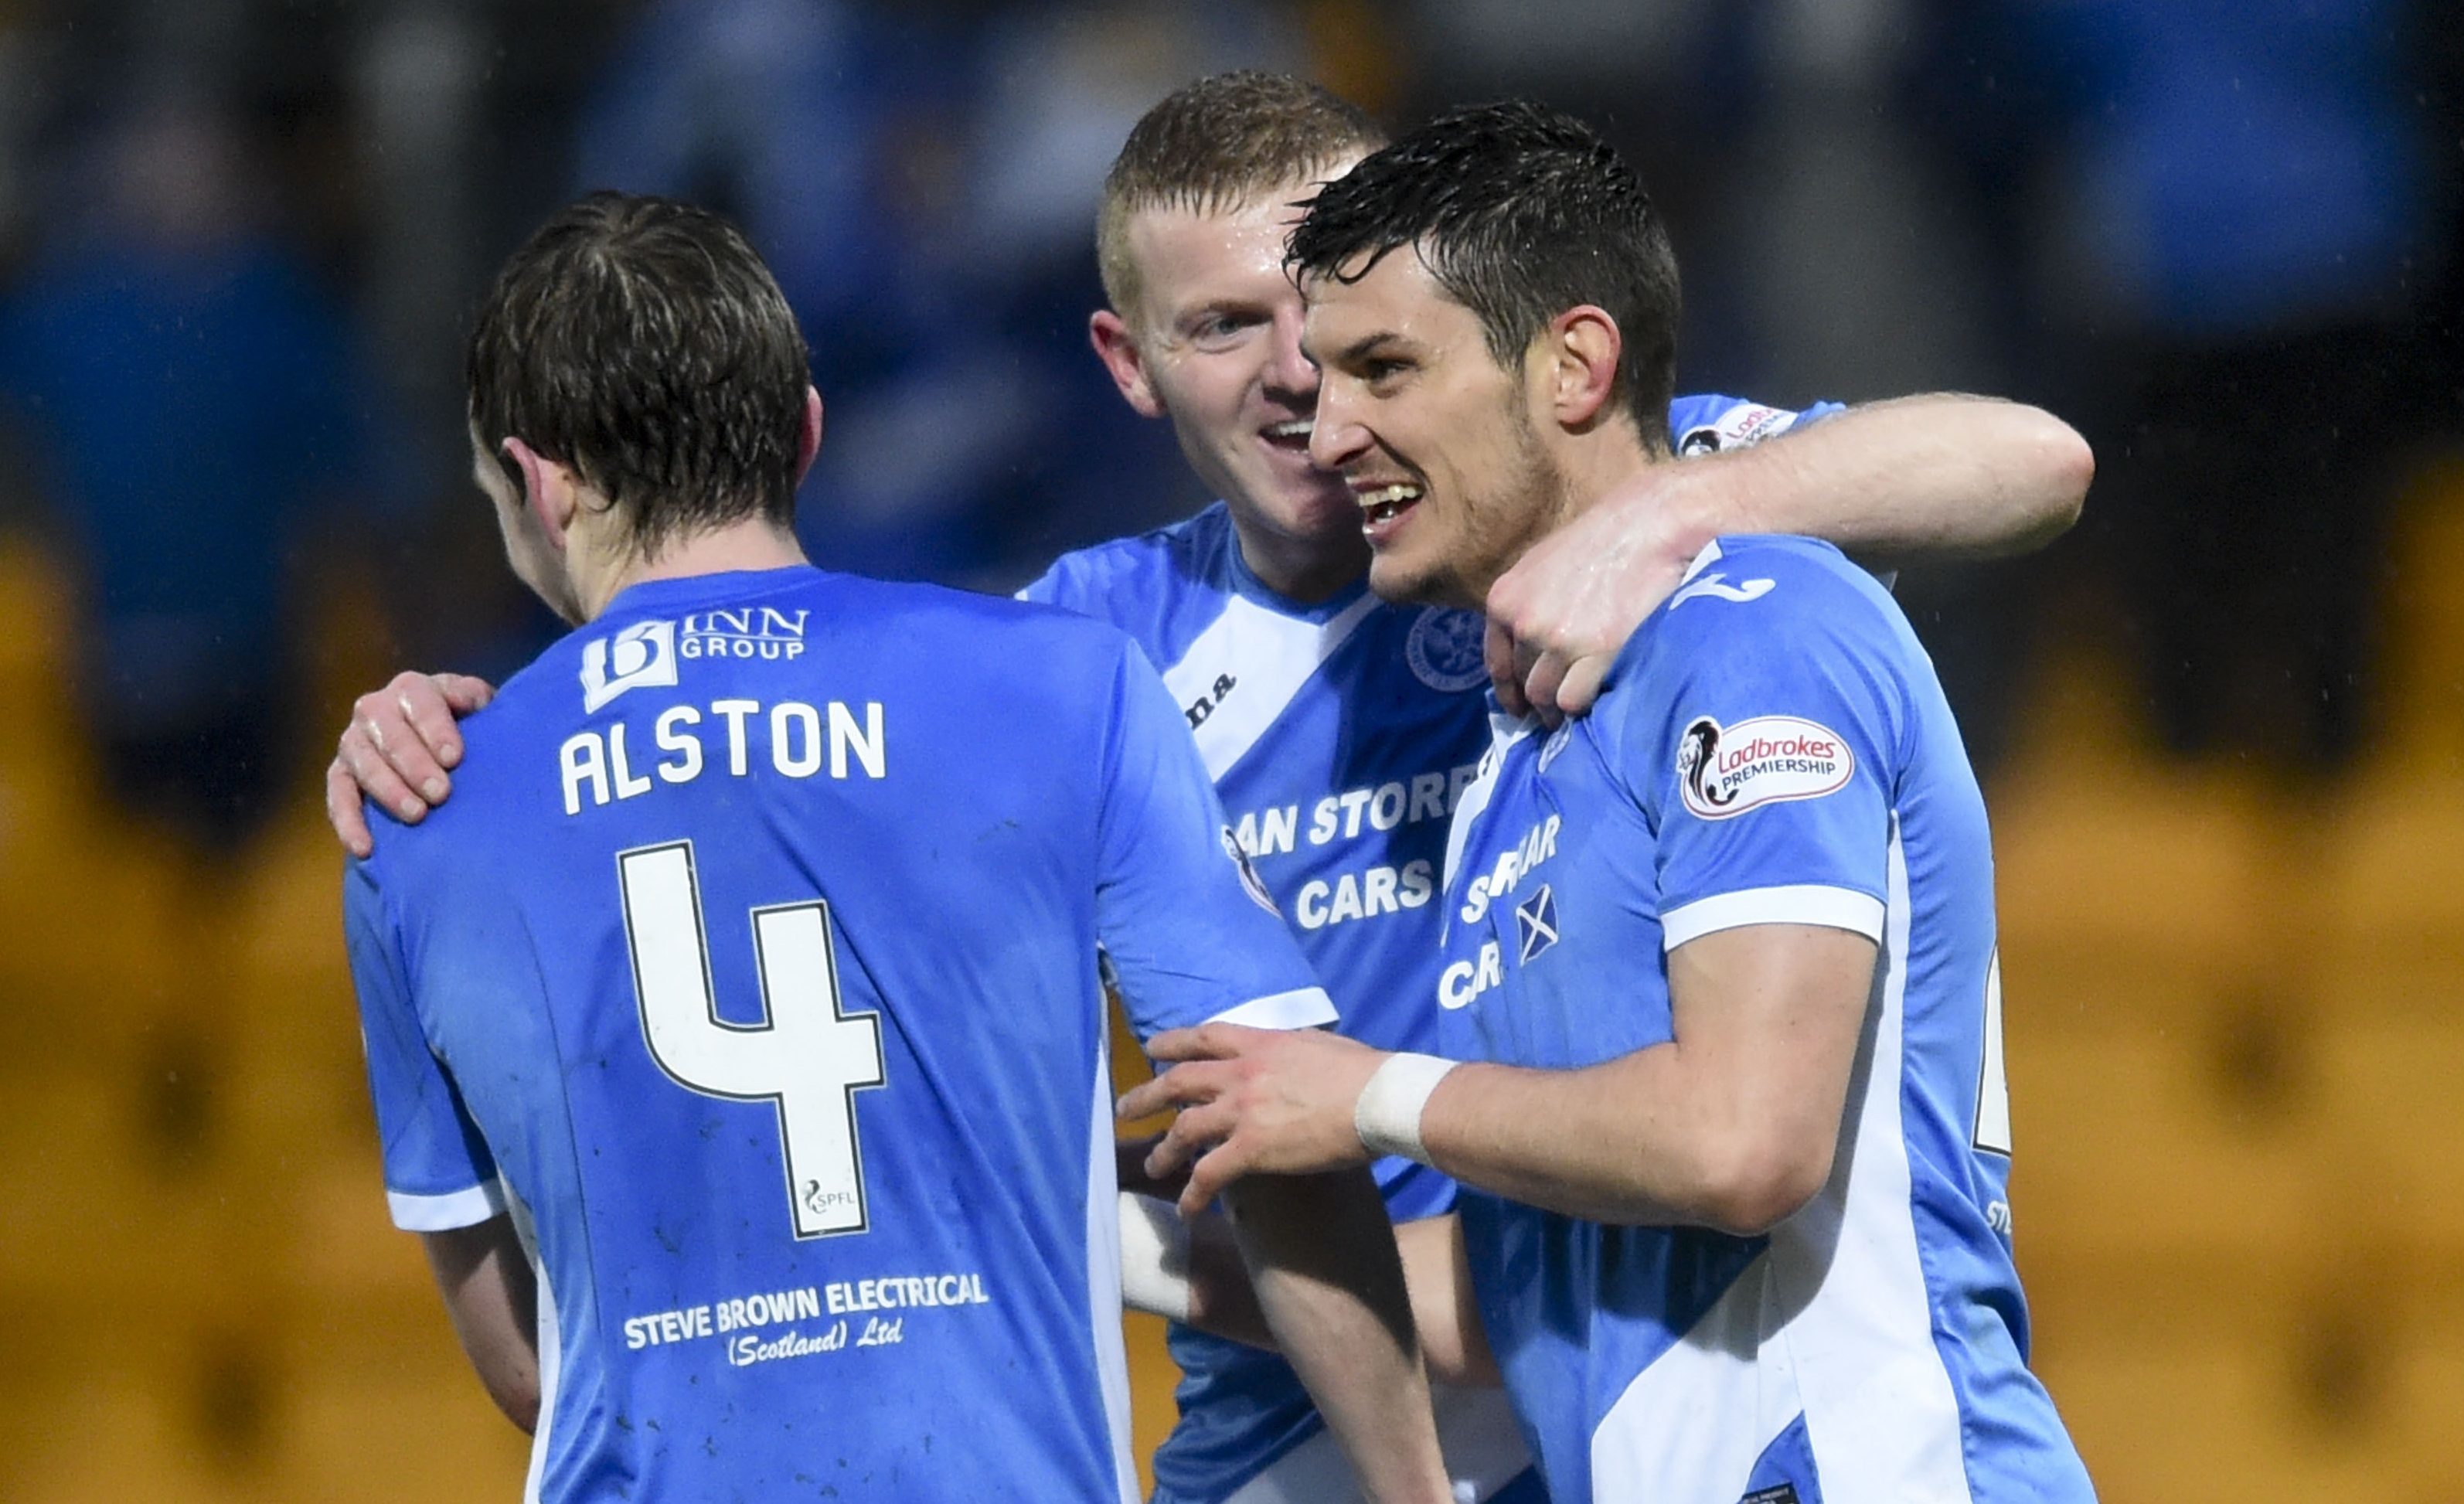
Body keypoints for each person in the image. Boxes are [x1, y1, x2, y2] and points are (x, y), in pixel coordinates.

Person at [329, 74, 2091, 1504]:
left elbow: (2031, 460)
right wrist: (452, 732)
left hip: (1648, 1364)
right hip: (1378, 1384)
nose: (1301, 377)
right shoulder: (1082, 651)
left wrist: (1677, 507)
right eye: (1231, 324)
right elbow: (762, 751)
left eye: (1347, 328)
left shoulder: (1625, 537)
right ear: (1127, 363)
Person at [342, 190, 1451, 1503]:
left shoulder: (411, 813)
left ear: (538, 482)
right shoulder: (1066, 686)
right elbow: (1280, 1156)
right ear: (806, 435)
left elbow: (531, 1363)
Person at [1118, 100, 2096, 1502]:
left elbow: (1742, 1142)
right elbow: (1533, 1286)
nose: (1328, 429)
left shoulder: (1750, 616)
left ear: (1575, 364)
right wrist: (1114, 1230)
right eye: (1312, 372)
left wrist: (1375, 1095)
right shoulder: (1520, 740)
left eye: (1382, 367)